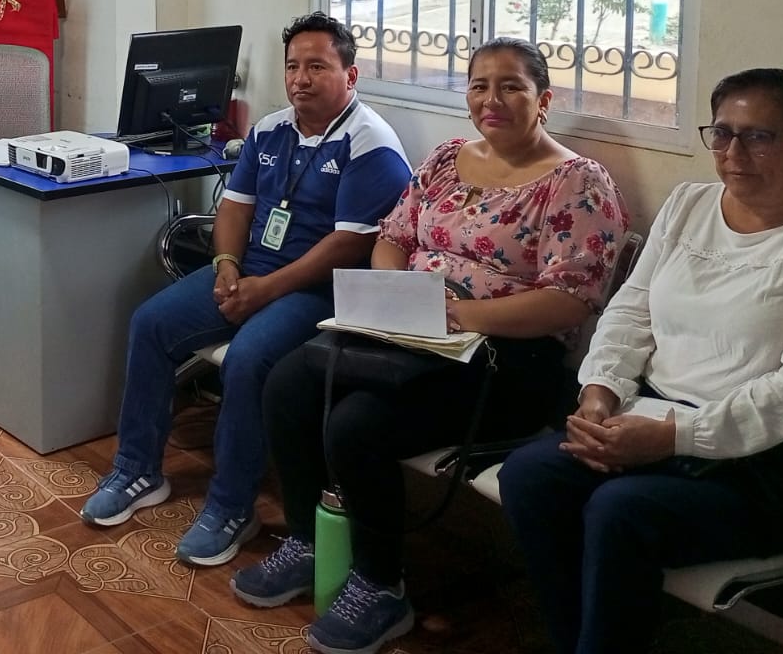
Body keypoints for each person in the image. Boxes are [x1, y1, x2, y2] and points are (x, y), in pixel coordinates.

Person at [233, 37, 629, 654]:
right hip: (415, 335)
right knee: (288, 383)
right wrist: (402, 297)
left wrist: (457, 315)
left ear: (544, 99)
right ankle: (309, 540)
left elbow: (571, 300)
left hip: (506, 359)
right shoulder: (446, 159)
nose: (491, 100)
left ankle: (380, 585)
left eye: (511, 87)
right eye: (479, 86)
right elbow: (392, 237)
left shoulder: (577, 183)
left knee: (356, 425)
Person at [498, 67, 783, 654]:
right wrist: (600, 396)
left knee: (621, 511)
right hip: (650, 420)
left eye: (759, 137)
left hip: (766, 464)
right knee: (531, 476)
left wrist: (673, 436)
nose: (733, 153)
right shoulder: (690, 204)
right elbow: (632, 311)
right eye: (723, 133)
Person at [79, 13, 412, 566]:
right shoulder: (270, 129)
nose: (300, 78)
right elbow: (235, 207)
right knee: (151, 323)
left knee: (249, 360)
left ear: (350, 76)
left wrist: (265, 290)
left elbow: (349, 245)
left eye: (317, 67)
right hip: (253, 270)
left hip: (319, 290)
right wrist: (228, 265)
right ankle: (137, 469)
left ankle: (232, 506)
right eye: (293, 66)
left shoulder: (370, 143)